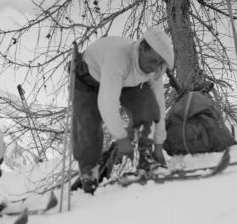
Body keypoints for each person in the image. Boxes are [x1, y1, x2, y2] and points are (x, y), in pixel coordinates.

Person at [72, 27, 174, 194]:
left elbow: (159, 106)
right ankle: (89, 175)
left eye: (159, 63)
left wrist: (158, 143)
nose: (155, 66)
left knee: (148, 104)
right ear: (141, 47)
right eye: (153, 60)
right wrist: (121, 138)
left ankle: (146, 158)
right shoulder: (118, 57)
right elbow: (107, 103)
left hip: (126, 81)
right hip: (88, 80)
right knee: (88, 126)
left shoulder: (154, 69)